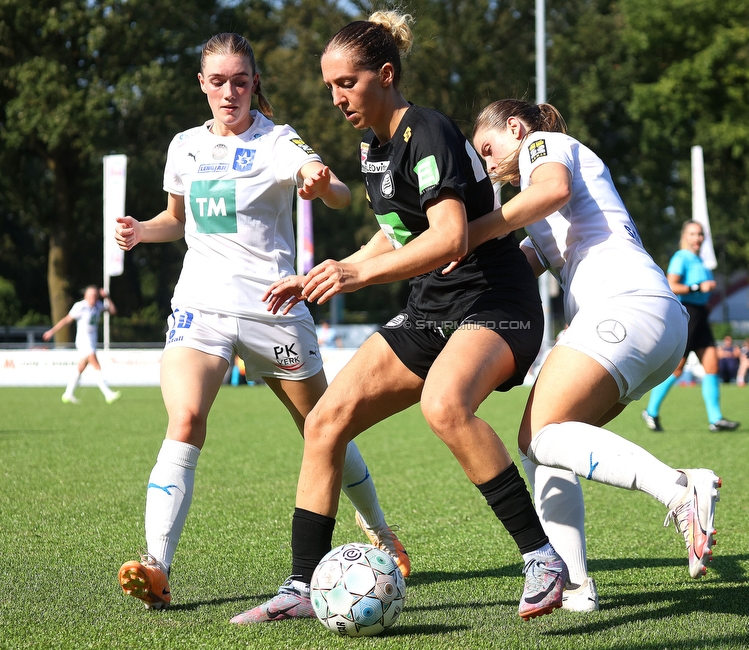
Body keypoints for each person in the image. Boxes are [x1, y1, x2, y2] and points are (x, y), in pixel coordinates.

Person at [231, 13, 566, 624]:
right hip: (432, 310)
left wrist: (357, 275)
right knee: (325, 420)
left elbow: (449, 236)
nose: (336, 97)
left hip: (495, 303)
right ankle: (303, 585)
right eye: (330, 84)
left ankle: (542, 559)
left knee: (444, 405)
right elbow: (395, 237)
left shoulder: (429, 130)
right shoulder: (372, 148)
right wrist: (328, 271)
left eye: (348, 83)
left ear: (385, 75)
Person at [111, 32, 406, 612]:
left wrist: (323, 187)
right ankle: (156, 565)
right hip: (200, 306)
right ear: (202, 83)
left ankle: (379, 529)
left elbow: (343, 194)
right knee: (187, 417)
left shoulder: (278, 141)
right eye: (218, 81)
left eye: (240, 81)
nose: (229, 92)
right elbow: (178, 220)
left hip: (274, 308)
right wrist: (145, 231)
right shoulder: (183, 146)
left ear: (254, 84)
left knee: (322, 428)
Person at [466, 98, 722, 611]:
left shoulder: (545, 147)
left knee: (538, 433)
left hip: (625, 308)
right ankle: (577, 587)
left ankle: (679, 489)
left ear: (515, 128)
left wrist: (473, 231)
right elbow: (531, 260)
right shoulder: (541, 205)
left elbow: (552, 189)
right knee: (545, 445)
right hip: (652, 321)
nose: (488, 165)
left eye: (488, 150)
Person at [642, 221, 740, 432]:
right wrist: (698, 287)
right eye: (693, 234)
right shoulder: (681, 257)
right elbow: (671, 284)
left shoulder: (700, 260)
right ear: (685, 236)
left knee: (712, 365)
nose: (698, 238)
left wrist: (707, 288)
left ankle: (716, 419)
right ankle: (651, 411)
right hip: (686, 314)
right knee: (677, 369)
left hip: (701, 315)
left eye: (700, 234)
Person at [42, 285, 121, 404]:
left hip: (92, 341)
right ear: (85, 296)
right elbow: (66, 320)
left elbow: (113, 311)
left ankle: (68, 394)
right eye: (91, 295)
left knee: (81, 367)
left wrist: (107, 297)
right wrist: (52, 331)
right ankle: (108, 393)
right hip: (83, 341)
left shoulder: (98, 305)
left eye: (95, 295)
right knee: (96, 365)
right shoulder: (80, 306)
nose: (93, 298)